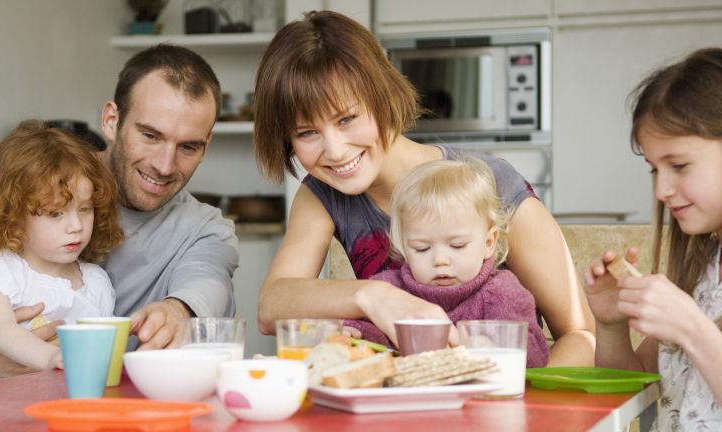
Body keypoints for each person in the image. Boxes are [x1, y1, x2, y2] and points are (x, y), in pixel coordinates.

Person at [253, 10, 593, 365]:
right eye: (307, 132)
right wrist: (374, 297)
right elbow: (271, 305)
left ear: (381, 97)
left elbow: (580, 335)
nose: (335, 151)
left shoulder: (489, 181)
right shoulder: (322, 195)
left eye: (347, 119)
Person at [0, 44, 239, 386]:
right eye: (150, 135)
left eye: (188, 147)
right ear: (111, 119)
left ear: (206, 143)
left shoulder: (206, 231)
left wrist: (177, 310)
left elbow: (207, 285)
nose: (164, 165)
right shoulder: (7, 180)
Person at [584, 47, 722, 430]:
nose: (662, 189)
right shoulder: (700, 269)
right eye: (653, 169)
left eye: (678, 165)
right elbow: (637, 384)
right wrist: (611, 326)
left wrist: (691, 327)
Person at [342, 158, 548, 367]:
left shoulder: (503, 292)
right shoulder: (390, 289)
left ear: (488, 243)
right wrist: (354, 334)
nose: (440, 260)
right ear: (403, 246)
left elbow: (535, 354)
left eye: (457, 246)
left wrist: (489, 346)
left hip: (482, 395)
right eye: (422, 248)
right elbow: (375, 336)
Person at [0, 121, 123, 372]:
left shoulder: (95, 282)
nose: (76, 225)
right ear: (13, 216)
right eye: (56, 214)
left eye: (85, 209)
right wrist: (51, 358)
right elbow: (1, 331)